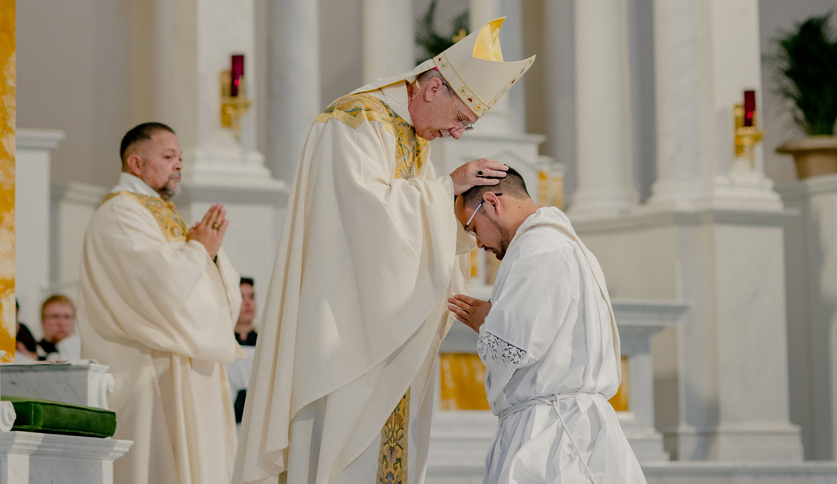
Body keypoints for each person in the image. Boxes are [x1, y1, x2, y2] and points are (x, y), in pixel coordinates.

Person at [234, 17, 534, 484]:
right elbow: (364, 220)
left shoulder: (413, 138)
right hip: (344, 327)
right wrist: (447, 189)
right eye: (460, 120)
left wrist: (453, 222)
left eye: (467, 127)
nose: (456, 134)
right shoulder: (354, 120)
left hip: (386, 329)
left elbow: (409, 226)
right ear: (434, 88)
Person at [447, 168, 647, 483]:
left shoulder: (538, 247)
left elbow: (513, 347)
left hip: (552, 436)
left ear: (492, 203)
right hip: (558, 424)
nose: (478, 244)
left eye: (471, 228)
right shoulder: (554, 242)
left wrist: (487, 321)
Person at [77, 122, 243, 484]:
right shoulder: (120, 213)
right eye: (168, 157)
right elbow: (158, 285)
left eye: (180, 158)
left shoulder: (162, 212)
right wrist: (199, 249)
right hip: (147, 370)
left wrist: (209, 254)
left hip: (185, 365)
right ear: (136, 164)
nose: (178, 165)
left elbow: (209, 286)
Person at [227, 277, 258, 424]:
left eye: (251, 297)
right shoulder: (223, 347)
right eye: (241, 297)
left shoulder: (264, 347)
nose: (248, 303)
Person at [36, 294, 80, 361]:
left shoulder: (83, 354)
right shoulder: (29, 353)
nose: (61, 322)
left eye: (67, 317)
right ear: (43, 321)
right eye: (55, 316)